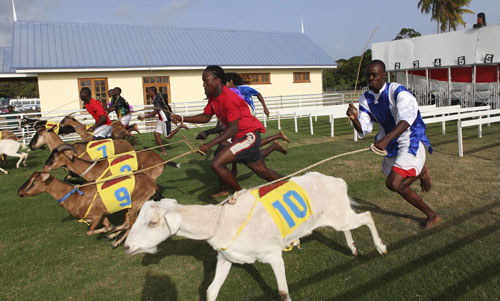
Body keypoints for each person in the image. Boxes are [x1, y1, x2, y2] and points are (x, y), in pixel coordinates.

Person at [346, 60, 440, 229]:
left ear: (384, 75)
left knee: (394, 184)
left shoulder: (398, 92)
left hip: (409, 138)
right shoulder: (365, 98)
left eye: (375, 75)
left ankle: (431, 209)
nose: (371, 78)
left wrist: (385, 140)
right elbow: (364, 128)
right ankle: (423, 178)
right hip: (391, 141)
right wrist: (354, 120)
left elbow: (407, 120)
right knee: (396, 184)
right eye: (368, 75)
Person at [171, 65, 280, 194]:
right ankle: (287, 184)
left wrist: (209, 144)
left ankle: (241, 195)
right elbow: (206, 117)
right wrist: (182, 118)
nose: (203, 84)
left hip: (249, 136)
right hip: (240, 137)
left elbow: (233, 128)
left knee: (216, 163)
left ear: (217, 81)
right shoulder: (213, 97)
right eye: (203, 81)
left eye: (206, 81)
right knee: (263, 172)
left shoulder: (229, 99)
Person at [138, 87, 185, 154]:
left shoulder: (157, 100)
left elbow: (154, 113)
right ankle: (163, 151)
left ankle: (180, 126)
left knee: (168, 137)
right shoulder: (156, 98)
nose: (148, 93)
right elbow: (157, 111)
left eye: (149, 92)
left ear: (152, 92)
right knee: (156, 134)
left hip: (164, 119)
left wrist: (144, 117)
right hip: (160, 119)